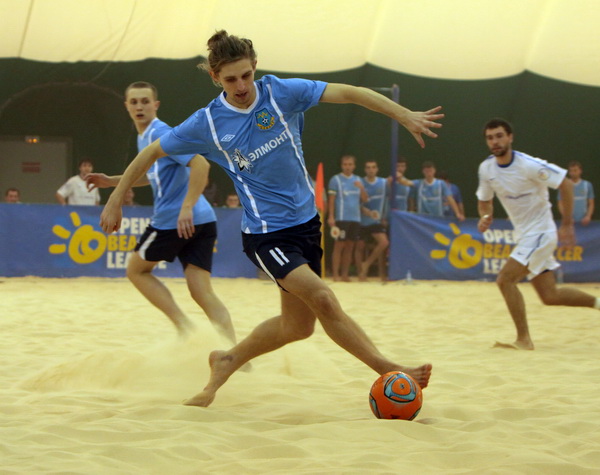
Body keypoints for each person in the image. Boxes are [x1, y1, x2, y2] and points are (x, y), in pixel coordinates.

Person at [99, 30, 439, 407]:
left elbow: (349, 92)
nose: (241, 86)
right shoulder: (206, 123)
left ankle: (227, 360)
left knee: (297, 327)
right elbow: (151, 154)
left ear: (256, 66)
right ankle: (389, 369)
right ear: (215, 78)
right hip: (267, 235)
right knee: (323, 299)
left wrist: (403, 114)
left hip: (307, 225)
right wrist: (116, 197)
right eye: (231, 79)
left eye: (246, 75)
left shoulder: (282, 92)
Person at [86, 81, 238, 342]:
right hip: (203, 220)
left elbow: (201, 164)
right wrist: (112, 181)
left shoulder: (160, 132)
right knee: (202, 292)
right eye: (134, 102)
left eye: (145, 101)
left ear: (156, 105)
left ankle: (185, 328)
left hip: (175, 221)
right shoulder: (144, 136)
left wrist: (186, 206)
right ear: (126, 106)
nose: (139, 107)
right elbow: (152, 175)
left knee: (136, 270)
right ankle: (235, 353)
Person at [476, 118, 600, 350]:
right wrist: (485, 216)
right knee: (550, 296)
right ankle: (598, 302)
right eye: (490, 138)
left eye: (500, 136)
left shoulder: (529, 165)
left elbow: (565, 184)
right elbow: (484, 200)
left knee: (505, 280)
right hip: (526, 236)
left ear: (510, 137)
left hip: (541, 233)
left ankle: (524, 339)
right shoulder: (486, 169)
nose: (495, 141)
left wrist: (567, 224)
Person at [327, 155, 366, 282]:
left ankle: (345, 275)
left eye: (350, 164)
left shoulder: (358, 180)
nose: (347, 167)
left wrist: (362, 188)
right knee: (339, 246)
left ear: (354, 166)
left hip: (355, 218)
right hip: (342, 218)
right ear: (341, 165)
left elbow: (365, 199)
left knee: (350, 246)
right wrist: (331, 216)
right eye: (345, 164)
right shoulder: (336, 179)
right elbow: (331, 200)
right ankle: (335, 275)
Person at [356, 160, 389, 281]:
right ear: (365, 170)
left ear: (377, 169)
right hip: (361, 220)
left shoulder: (383, 183)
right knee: (359, 247)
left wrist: (384, 216)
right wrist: (364, 210)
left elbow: (388, 200)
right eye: (368, 167)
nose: (371, 170)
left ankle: (366, 264)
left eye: (373, 167)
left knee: (384, 242)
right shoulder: (360, 182)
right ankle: (361, 274)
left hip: (376, 221)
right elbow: (355, 201)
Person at [557, 160, 594, 226]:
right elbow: (560, 203)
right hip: (569, 222)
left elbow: (591, 203)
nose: (573, 173)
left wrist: (588, 216)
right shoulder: (564, 185)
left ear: (580, 171)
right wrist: (567, 218)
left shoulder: (587, 185)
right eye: (571, 171)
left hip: (584, 222)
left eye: (575, 170)